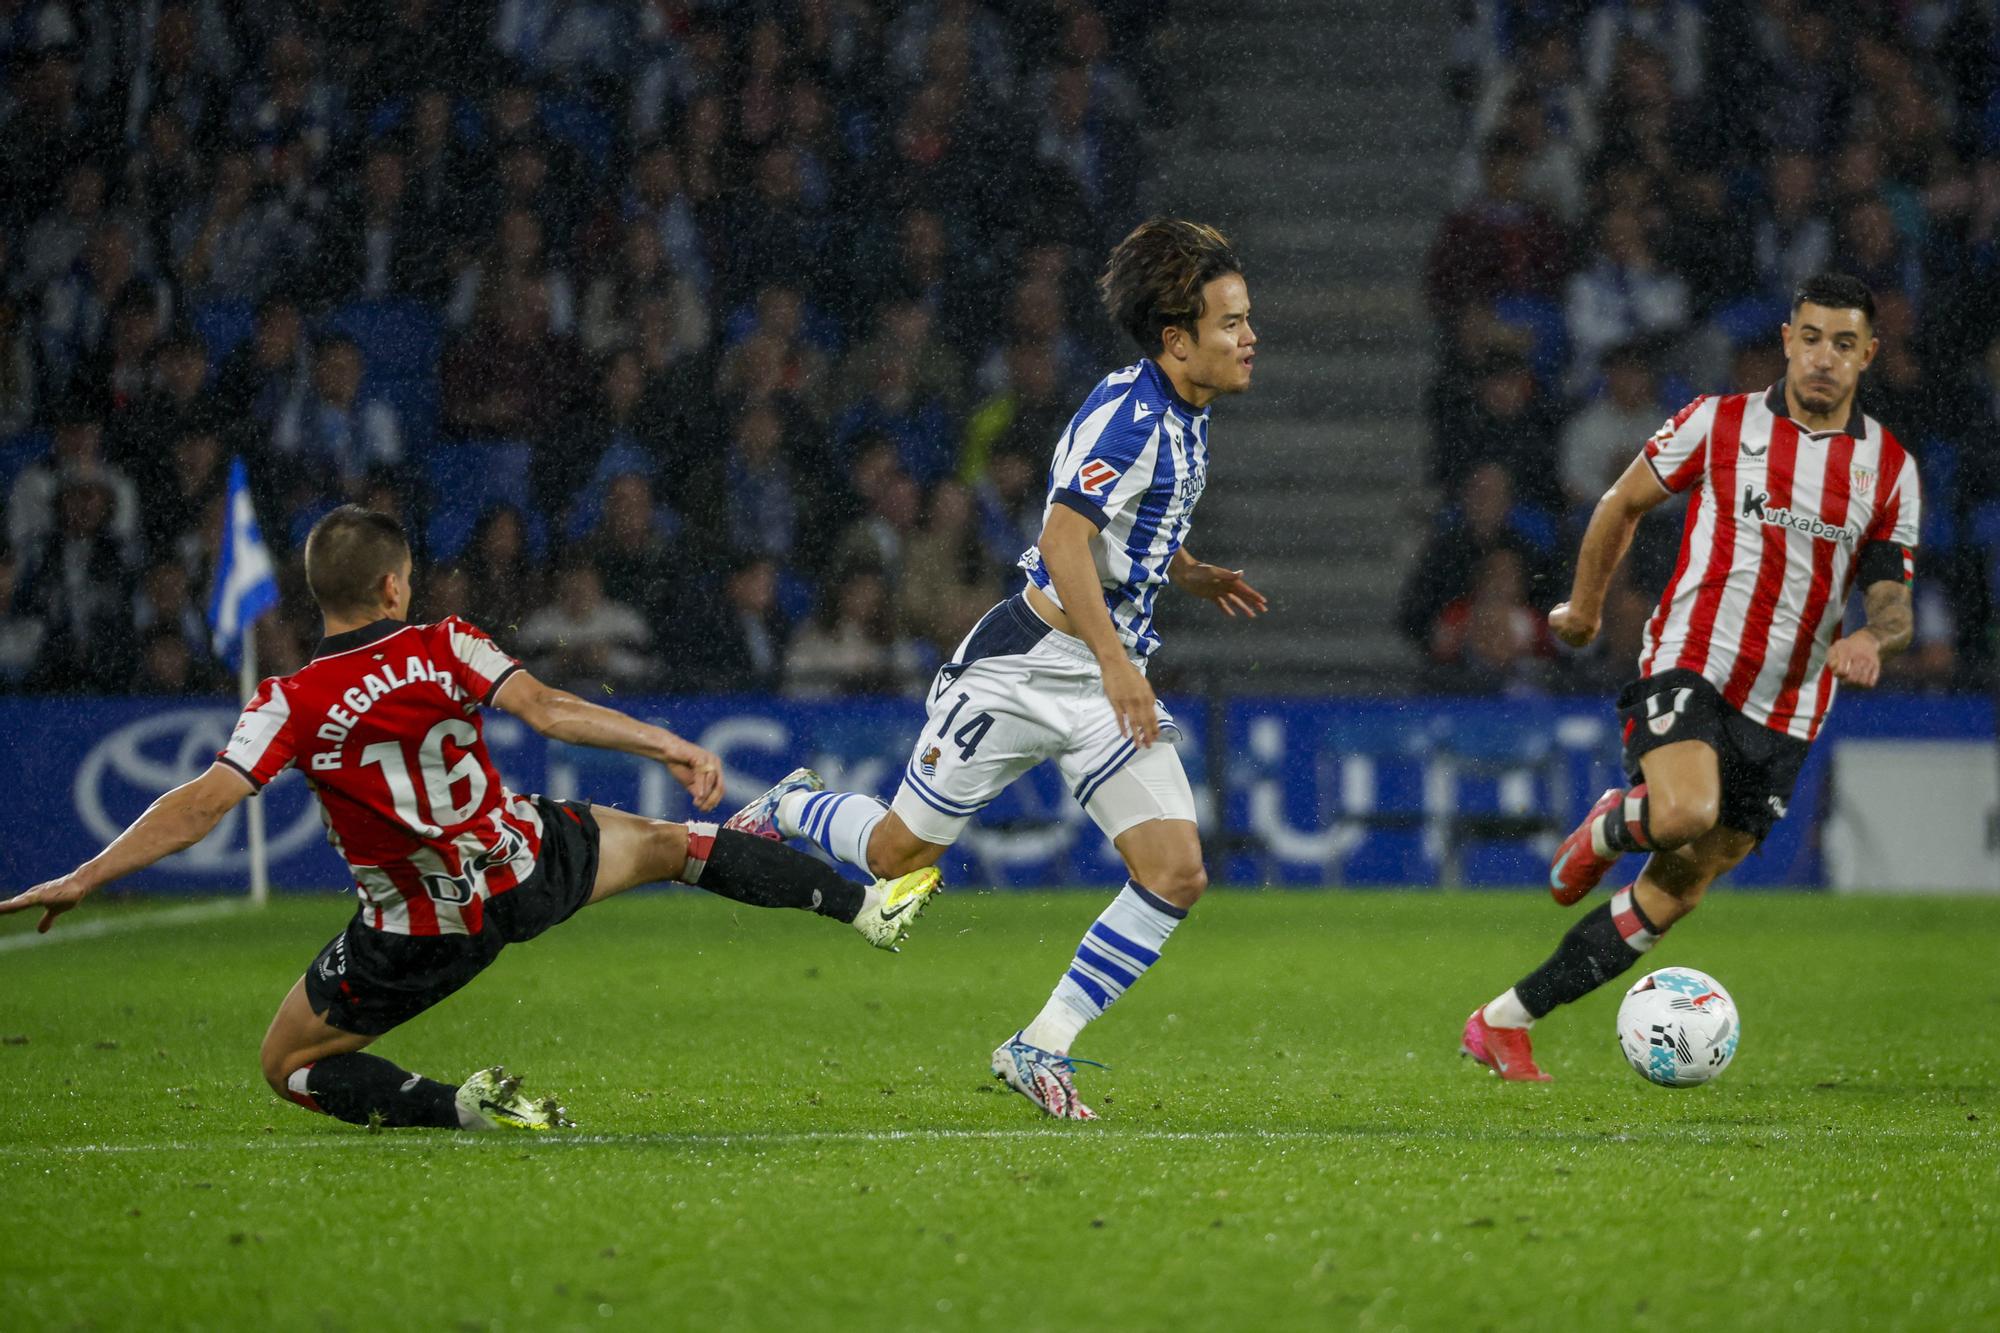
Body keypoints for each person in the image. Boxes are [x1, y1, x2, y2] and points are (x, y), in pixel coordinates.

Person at [0, 507, 942, 1131]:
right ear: (393, 586)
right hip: (524, 865)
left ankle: (464, 1106)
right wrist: (666, 743)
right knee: (677, 846)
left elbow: (202, 802)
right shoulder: (446, 643)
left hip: (416, 932)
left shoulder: (289, 700)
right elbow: (550, 711)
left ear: (321, 595)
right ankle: (865, 906)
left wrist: (88, 873)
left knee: (288, 1064)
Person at [728, 219, 1265, 1119]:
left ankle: (1038, 1045)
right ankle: (791, 806)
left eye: (1247, 319)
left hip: (1101, 680)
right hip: (1024, 667)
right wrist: (1118, 665)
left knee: (1176, 871)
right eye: (1232, 322)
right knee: (898, 854)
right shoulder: (1134, 419)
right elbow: (1061, 540)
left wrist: (1184, 569)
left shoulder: (1181, 413)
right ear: (1178, 340)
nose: (1250, 337)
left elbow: (1126, 524)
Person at [1462, 275, 1920, 1081]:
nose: (1824, 357)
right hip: (1693, 658)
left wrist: (1872, 639)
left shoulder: (1888, 469)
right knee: (1682, 811)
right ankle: (1614, 823)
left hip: (1789, 707)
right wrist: (1584, 607)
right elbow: (1620, 502)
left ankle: (1504, 1020)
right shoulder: (1719, 421)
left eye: (1844, 344)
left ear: (1868, 355)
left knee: (1674, 891)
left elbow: (1892, 600)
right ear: (1787, 341)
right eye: (1812, 338)